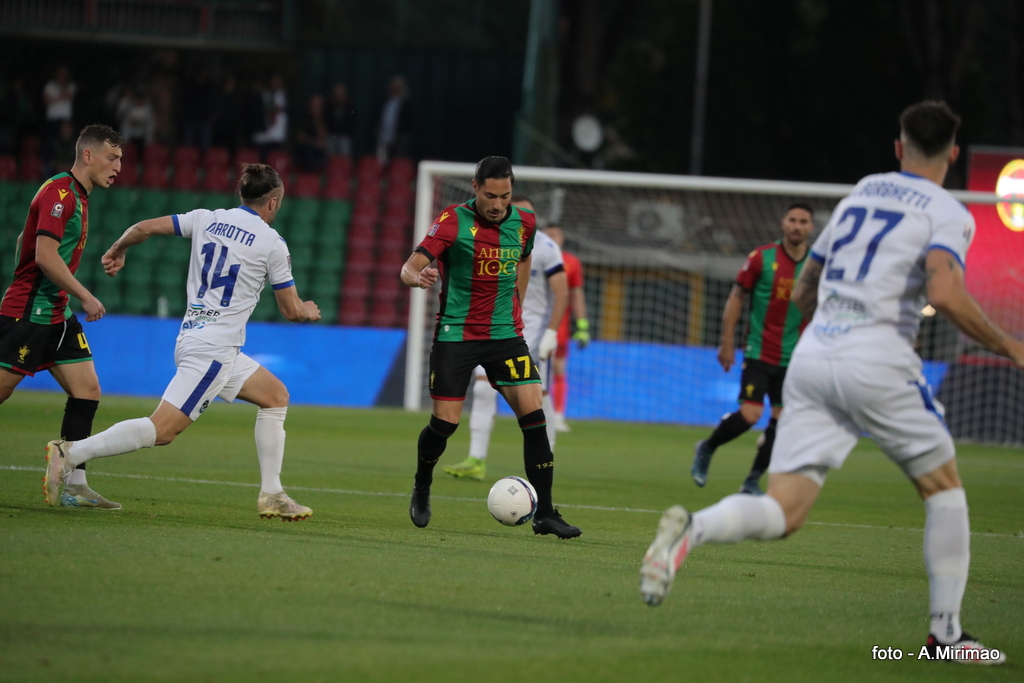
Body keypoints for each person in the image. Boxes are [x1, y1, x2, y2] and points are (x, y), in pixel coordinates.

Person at [639, 101, 1020, 663]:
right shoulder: (949, 212)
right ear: (955, 155)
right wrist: (1011, 345)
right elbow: (943, 292)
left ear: (898, 148)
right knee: (945, 489)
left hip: (815, 355)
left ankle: (691, 529)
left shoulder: (863, 191)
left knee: (785, 511)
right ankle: (946, 635)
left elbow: (811, 275)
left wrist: (821, 327)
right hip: (879, 357)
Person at [43, 164, 321, 521]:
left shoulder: (206, 218)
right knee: (161, 431)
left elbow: (143, 227)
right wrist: (309, 311)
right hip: (214, 351)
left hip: (198, 338)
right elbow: (291, 310)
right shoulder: (272, 243)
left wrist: (118, 249)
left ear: (242, 195)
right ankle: (71, 452)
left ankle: (273, 494)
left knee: (275, 396)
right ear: (274, 202)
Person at [400, 156, 581, 539]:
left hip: (505, 336)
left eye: (506, 195)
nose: (498, 204)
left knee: (535, 417)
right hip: (457, 335)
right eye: (491, 195)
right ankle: (422, 483)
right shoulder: (452, 221)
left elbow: (526, 257)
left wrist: (518, 302)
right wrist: (418, 277)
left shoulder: (526, 223)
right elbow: (409, 266)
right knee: (445, 423)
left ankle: (545, 513)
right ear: (475, 187)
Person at [0, 124, 123, 509]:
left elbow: (25, 240)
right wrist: (85, 295)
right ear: (88, 155)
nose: (118, 166)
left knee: (87, 391)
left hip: (56, 312)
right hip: (29, 312)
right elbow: (43, 255)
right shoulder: (60, 194)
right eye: (112, 158)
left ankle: (74, 484)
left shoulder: (76, 196)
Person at [691, 203, 814, 495]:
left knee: (783, 421)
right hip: (760, 351)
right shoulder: (762, 258)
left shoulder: (817, 265)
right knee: (750, 415)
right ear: (783, 223)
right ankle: (708, 447)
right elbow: (737, 297)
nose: (797, 226)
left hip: (796, 357)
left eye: (803, 222)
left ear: (811, 227)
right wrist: (727, 341)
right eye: (792, 220)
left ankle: (752, 480)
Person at [442, 196, 569, 482]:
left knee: (538, 397)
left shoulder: (547, 248)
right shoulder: (494, 241)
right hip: (497, 326)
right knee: (484, 388)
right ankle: (476, 458)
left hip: (533, 330)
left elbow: (562, 292)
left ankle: (546, 458)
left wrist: (551, 332)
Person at [544, 224, 590, 433]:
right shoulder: (532, 257)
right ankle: (535, 414)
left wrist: (582, 326)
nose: (554, 238)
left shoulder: (572, 263)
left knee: (558, 368)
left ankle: (558, 415)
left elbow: (576, 295)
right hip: (534, 322)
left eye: (557, 235)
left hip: (560, 325)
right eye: (549, 235)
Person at [376, 75, 412, 164]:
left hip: (398, 136)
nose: (392, 88)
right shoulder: (387, 101)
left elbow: (409, 120)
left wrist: (402, 132)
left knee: (398, 157)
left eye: (395, 86)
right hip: (385, 135)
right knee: (383, 157)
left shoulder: (405, 102)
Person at [326, 83, 355, 158]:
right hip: (332, 135)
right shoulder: (330, 105)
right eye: (337, 93)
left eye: (340, 93)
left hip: (344, 136)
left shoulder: (349, 106)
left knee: (344, 157)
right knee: (330, 158)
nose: (338, 95)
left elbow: (353, 120)